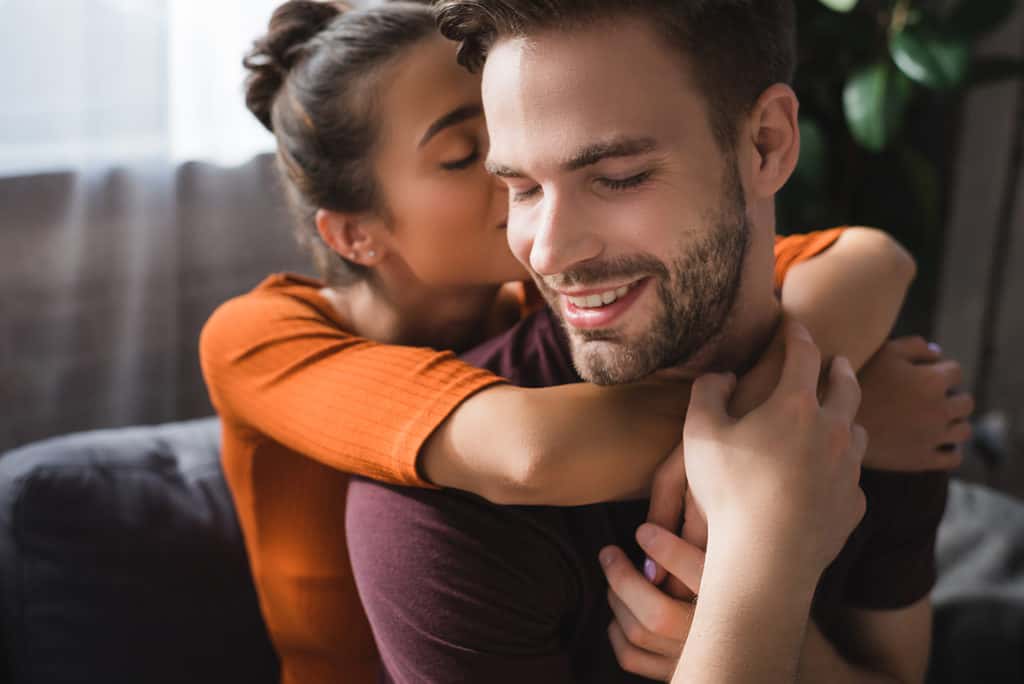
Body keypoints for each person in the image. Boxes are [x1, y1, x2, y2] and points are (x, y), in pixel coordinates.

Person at [200, 1, 972, 682]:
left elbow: (867, 256)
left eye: (620, 174)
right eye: (515, 179)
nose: (544, 248)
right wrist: (766, 515)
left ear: (767, 144)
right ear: (354, 236)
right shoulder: (268, 346)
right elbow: (528, 452)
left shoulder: (532, 301)